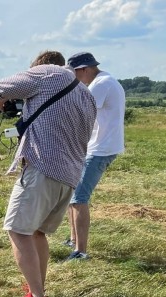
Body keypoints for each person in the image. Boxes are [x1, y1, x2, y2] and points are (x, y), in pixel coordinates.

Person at [0, 51, 97, 297]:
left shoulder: (46, 73)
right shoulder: (85, 94)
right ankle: (37, 286)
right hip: (70, 175)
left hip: (43, 168)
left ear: (38, 67)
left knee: (17, 229)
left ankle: (36, 295)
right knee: (37, 233)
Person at [63, 52, 126, 261]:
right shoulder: (104, 80)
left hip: (100, 149)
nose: (74, 79)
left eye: (75, 74)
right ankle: (73, 239)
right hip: (97, 146)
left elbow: (80, 112)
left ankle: (80, 251)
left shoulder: (100, 84)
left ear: (84, 69)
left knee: (79, 198)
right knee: (73, 195)